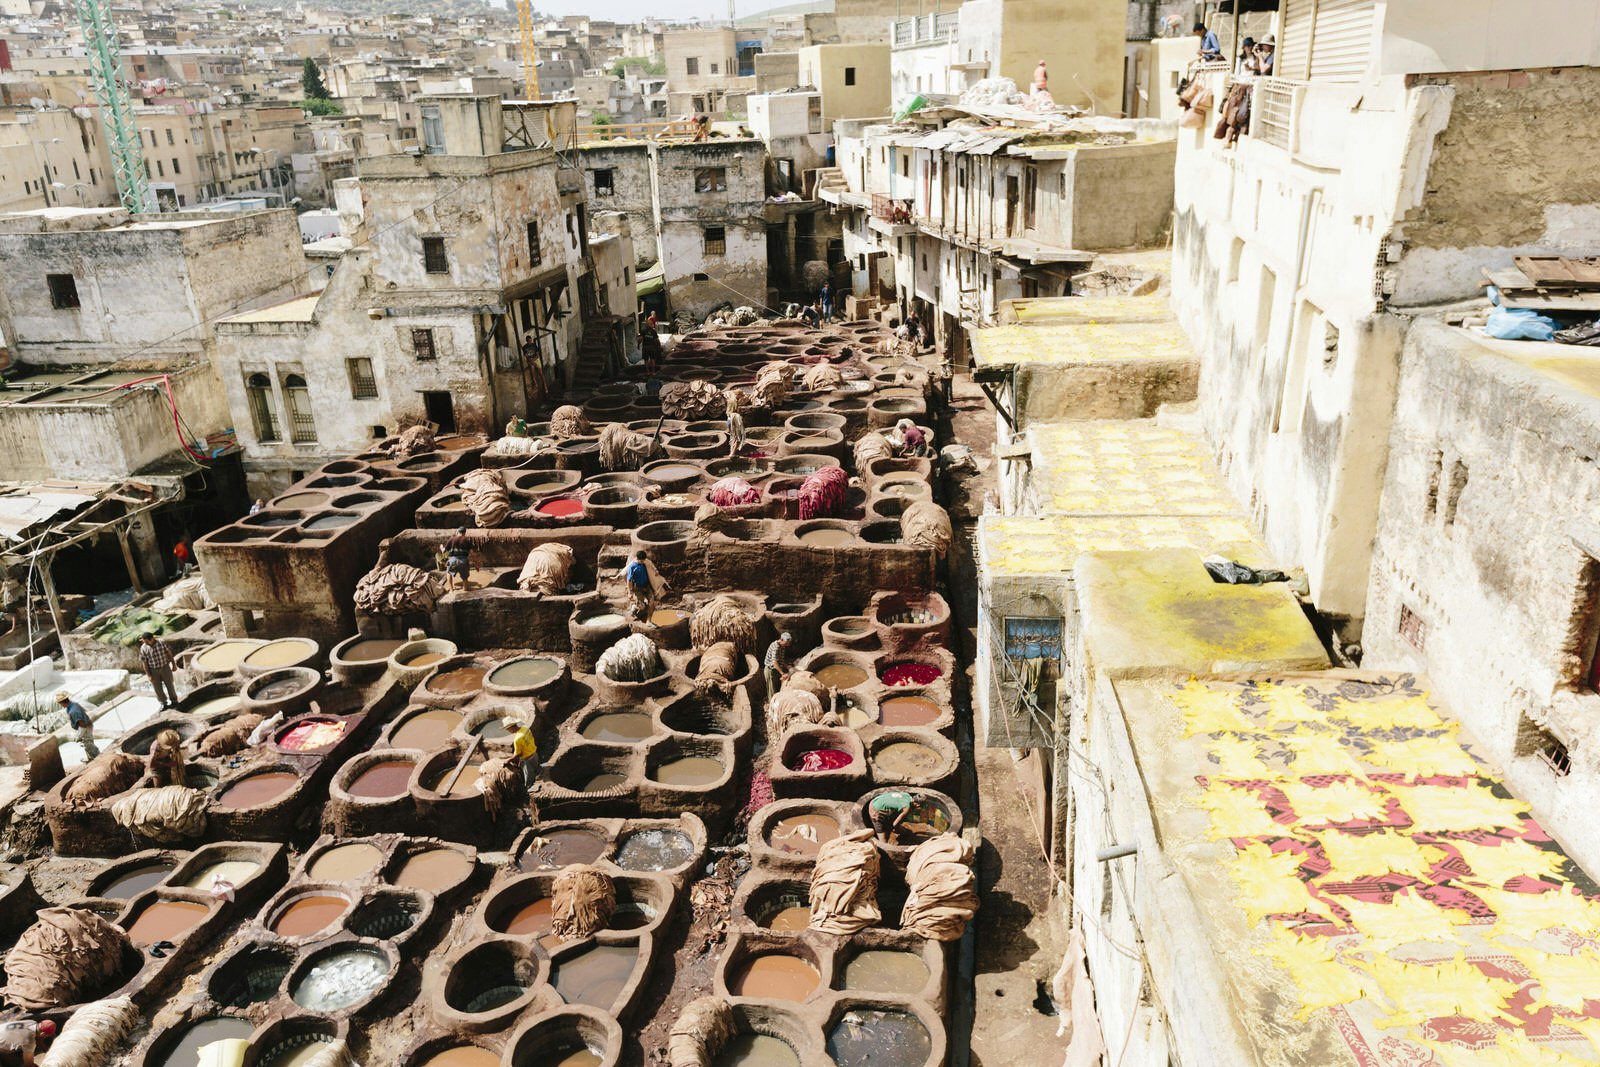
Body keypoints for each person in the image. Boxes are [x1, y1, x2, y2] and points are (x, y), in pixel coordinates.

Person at [138, 633, 179, 708]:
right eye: (144, 641)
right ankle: (163, 703)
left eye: (146, 641)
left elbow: (169, 654)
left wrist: (174, 665)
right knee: (157, 688)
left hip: (165, 667)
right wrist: (149, 675)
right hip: (153, 670)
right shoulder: (143, 648)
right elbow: (144, 663)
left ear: (152, 639)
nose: (145, 643)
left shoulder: (162, 643)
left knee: (170, 685)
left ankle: (174, 701)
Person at [624, 549, 665, 619]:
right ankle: (634, 607)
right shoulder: (632, 566)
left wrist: (656, 570)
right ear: (637, 559)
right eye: (641, 561)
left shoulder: (646, 562)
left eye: (644, 560)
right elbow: (629, 580)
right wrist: (629, 592)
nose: (643, 562)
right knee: (642, 606)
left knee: (652, 602)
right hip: (638, 588)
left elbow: (651, 565)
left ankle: (649, 620)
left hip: (647, 586)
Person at [56, 692, 97, 760]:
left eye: (60, 703)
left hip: (85, 728)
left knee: (88, 745)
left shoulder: (73, 711)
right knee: (87, 744)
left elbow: (82, 725)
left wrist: (79, 736)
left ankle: (96, 758)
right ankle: (90, 758)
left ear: (62, 702)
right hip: (87, 724)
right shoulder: (73, 705)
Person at [505, 717, 539, 789]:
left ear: (510, 728)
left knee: (529, 778)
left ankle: (529, 790)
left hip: (527, 760)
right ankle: (538, 777)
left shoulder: (517, 739)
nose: (508, 731)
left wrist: (508, 760)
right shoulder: (525, 728)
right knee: (536, 769)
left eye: (507, 729)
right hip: (534, 753)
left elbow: (518, 754)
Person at [763, 631, 795, 699]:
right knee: (772, 692)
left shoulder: (782, 646)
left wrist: (787, 666)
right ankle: (772, 706)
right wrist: (782, 673)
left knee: (777, 688)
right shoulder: (776, 647)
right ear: (781, 639)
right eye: (786, 643)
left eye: (788, 643)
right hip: (770, 670)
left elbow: (779, 659)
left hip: (776, 670)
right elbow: (774, 662)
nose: (787, 645)